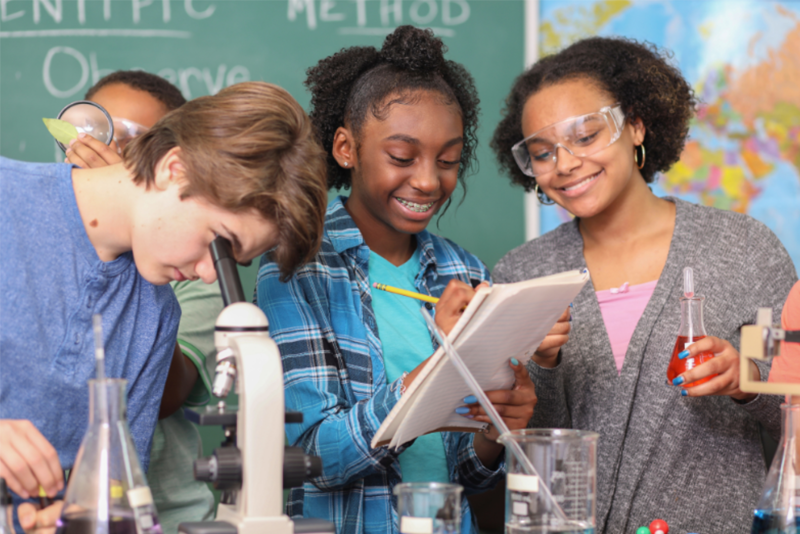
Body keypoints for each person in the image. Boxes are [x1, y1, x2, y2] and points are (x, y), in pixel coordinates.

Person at [256, 26, 565, 534]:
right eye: (402, 157)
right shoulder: (297, 268)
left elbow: (471, 474)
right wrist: (440, 370)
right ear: (345, 148)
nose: (428, 180)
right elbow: (312, 457)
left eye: (448, 160)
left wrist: (496, 427)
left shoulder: (463, 273)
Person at [490, 37, 796, 533]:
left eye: (586, 136)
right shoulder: (522, 274)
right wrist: (544, 366)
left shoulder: (743, 250)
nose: (565, 164)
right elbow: (516, 453)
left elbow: (797, 402)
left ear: (636, 125)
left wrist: (747, 380)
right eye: (543, 153)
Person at [0, 81, 328, 533]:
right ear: (175, 169)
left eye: (236, 261)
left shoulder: (156, 316)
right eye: (221, 243)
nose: (213, 275)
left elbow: (107, 497)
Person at [65, 70, 221, 534]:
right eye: (98, 133)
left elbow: (166, 393)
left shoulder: (195, 267)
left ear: (175, 164)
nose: (114, 155)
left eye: (137, 143)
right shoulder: (36, 239)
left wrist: (135, 242)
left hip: (169, 516)